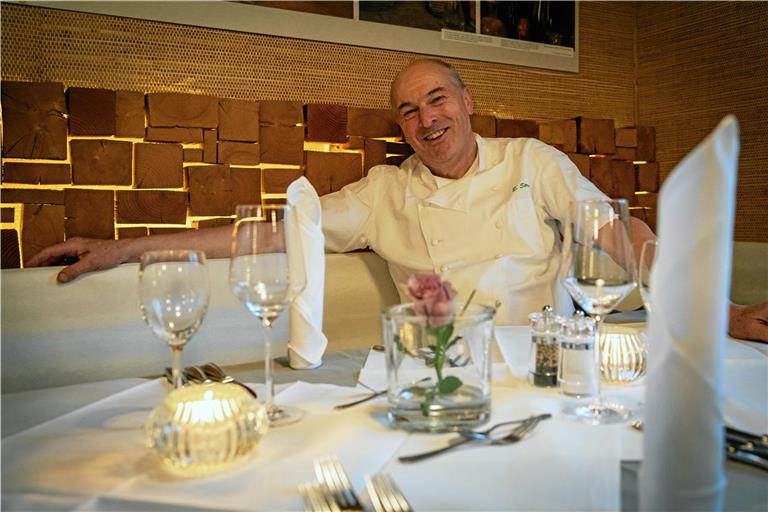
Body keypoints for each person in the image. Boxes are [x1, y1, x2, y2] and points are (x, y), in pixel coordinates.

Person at [28, 59, 768, 342]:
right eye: (409, 112)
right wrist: (122, 249)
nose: (427, 119)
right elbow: (265, 237)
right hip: (437, 371)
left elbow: (619, 233)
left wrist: (722, 313)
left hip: (550, 368)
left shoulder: (531, 163)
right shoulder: (383, 193)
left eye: (437, 99)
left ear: (468, 102)